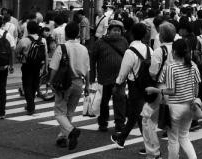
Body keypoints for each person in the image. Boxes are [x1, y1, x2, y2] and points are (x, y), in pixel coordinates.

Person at [145, 39, 200, 159]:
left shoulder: (171, 67)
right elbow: (196, 90)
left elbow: (171, 91)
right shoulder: (193, 66)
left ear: (174, 51)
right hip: (190, 106)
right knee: (184, 137)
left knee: (173, 139)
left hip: (175, 107)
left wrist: (154, 90)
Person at [50, 22, 90, 150]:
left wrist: (51, 82)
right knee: (70, 111)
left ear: (66, 34)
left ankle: (71, 131)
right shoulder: (84, 48)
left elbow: (54, 68)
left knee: (59, 112)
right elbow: (88, 69)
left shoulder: (61, 48)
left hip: (64, 83)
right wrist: (87, 85)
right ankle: (63, 137)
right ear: (78, 33)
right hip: (79, 82)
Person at [111, 22, 151, 149]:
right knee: (135, 114)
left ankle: (150, 146)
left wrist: (117, 84)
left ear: (132, 34)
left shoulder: (130, 51)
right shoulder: (149, 49)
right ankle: (121, 139)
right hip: (147, 85)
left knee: (138, 115)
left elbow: (124, 71)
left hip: (134, 85)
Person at [142, 22, 176, 159]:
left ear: (161, 35)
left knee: (147, 118)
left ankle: (153, 152)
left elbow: (153, 72)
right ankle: (174, 154)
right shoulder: (178, 48)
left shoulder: (159, 51)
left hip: (160, 88)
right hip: (175, 89)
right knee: (173, 124)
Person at [91, 20, 128, 133]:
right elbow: (93, 59)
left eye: (119, 31)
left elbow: (128, 58)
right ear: (109, 31)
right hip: (104, 77)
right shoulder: (100, 42)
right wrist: (92, 77)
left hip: (120, 78)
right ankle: (103, 123)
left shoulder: (124, 42)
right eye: (114, 30)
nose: (116, 32)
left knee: (120, 100)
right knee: (103, 101)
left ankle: (120, 124)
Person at [15, 20, 48, 115]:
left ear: (28, 29)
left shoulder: (24, 40)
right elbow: (45, 54)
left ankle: (31, 106)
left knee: (27, 85)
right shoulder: (43, 40)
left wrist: (20, 57)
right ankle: (30, 104)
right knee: (34, 84)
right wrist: (45, 67)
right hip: (38, 66)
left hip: (27, 66)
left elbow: (16, 52)